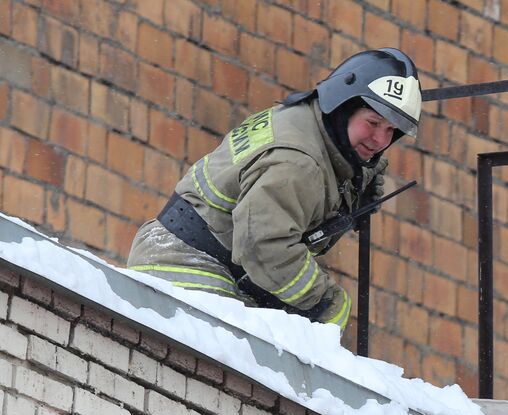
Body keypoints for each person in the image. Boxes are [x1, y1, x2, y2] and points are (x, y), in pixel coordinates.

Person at [127, 48, 421, 329]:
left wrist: (355, 184)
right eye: (373, 123)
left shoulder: (304, 121)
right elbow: (264, 246)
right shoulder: (298, 162)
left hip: (188, 256)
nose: (381, 140)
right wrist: (323, 301)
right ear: (343, 108)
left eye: (391, 131)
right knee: (231, 368)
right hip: (185, 266)